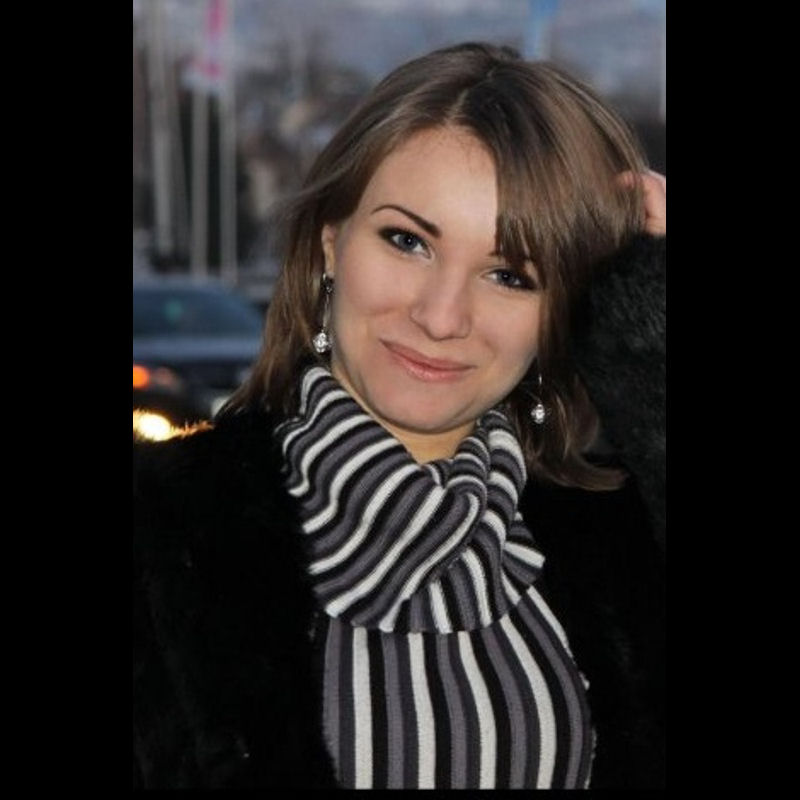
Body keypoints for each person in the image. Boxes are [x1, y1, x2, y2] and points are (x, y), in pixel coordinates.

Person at [133, 42, 665, 789]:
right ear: (331, 243)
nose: (441, 317)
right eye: (407, 241)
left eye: (510, 274)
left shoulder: (625, 542)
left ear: (564, 312)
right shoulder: (158, 536)